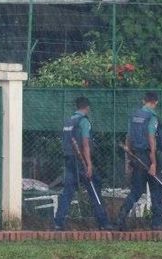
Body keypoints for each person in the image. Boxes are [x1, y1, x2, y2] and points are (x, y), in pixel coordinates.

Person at [54, 96, 113, 231]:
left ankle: (58, 222)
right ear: (87, 108)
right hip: (81, 161)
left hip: (69, 159)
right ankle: (103, 222)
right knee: (94, 189)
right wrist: (89, 164)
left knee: (68, 192)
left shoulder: (69, 121)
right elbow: (85, 144)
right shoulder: (83, 121)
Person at [115, 91, 162, 231]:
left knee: (136, 190)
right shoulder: (152, 117)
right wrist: (154, 163)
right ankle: (158, 223)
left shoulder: (134, 116)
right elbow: (151, 139)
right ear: (155, 102)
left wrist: (130, 160)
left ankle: (122, 215)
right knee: (156, 189)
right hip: (149, 157)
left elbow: (129, 138)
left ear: (144, 101)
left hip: (136, 157)